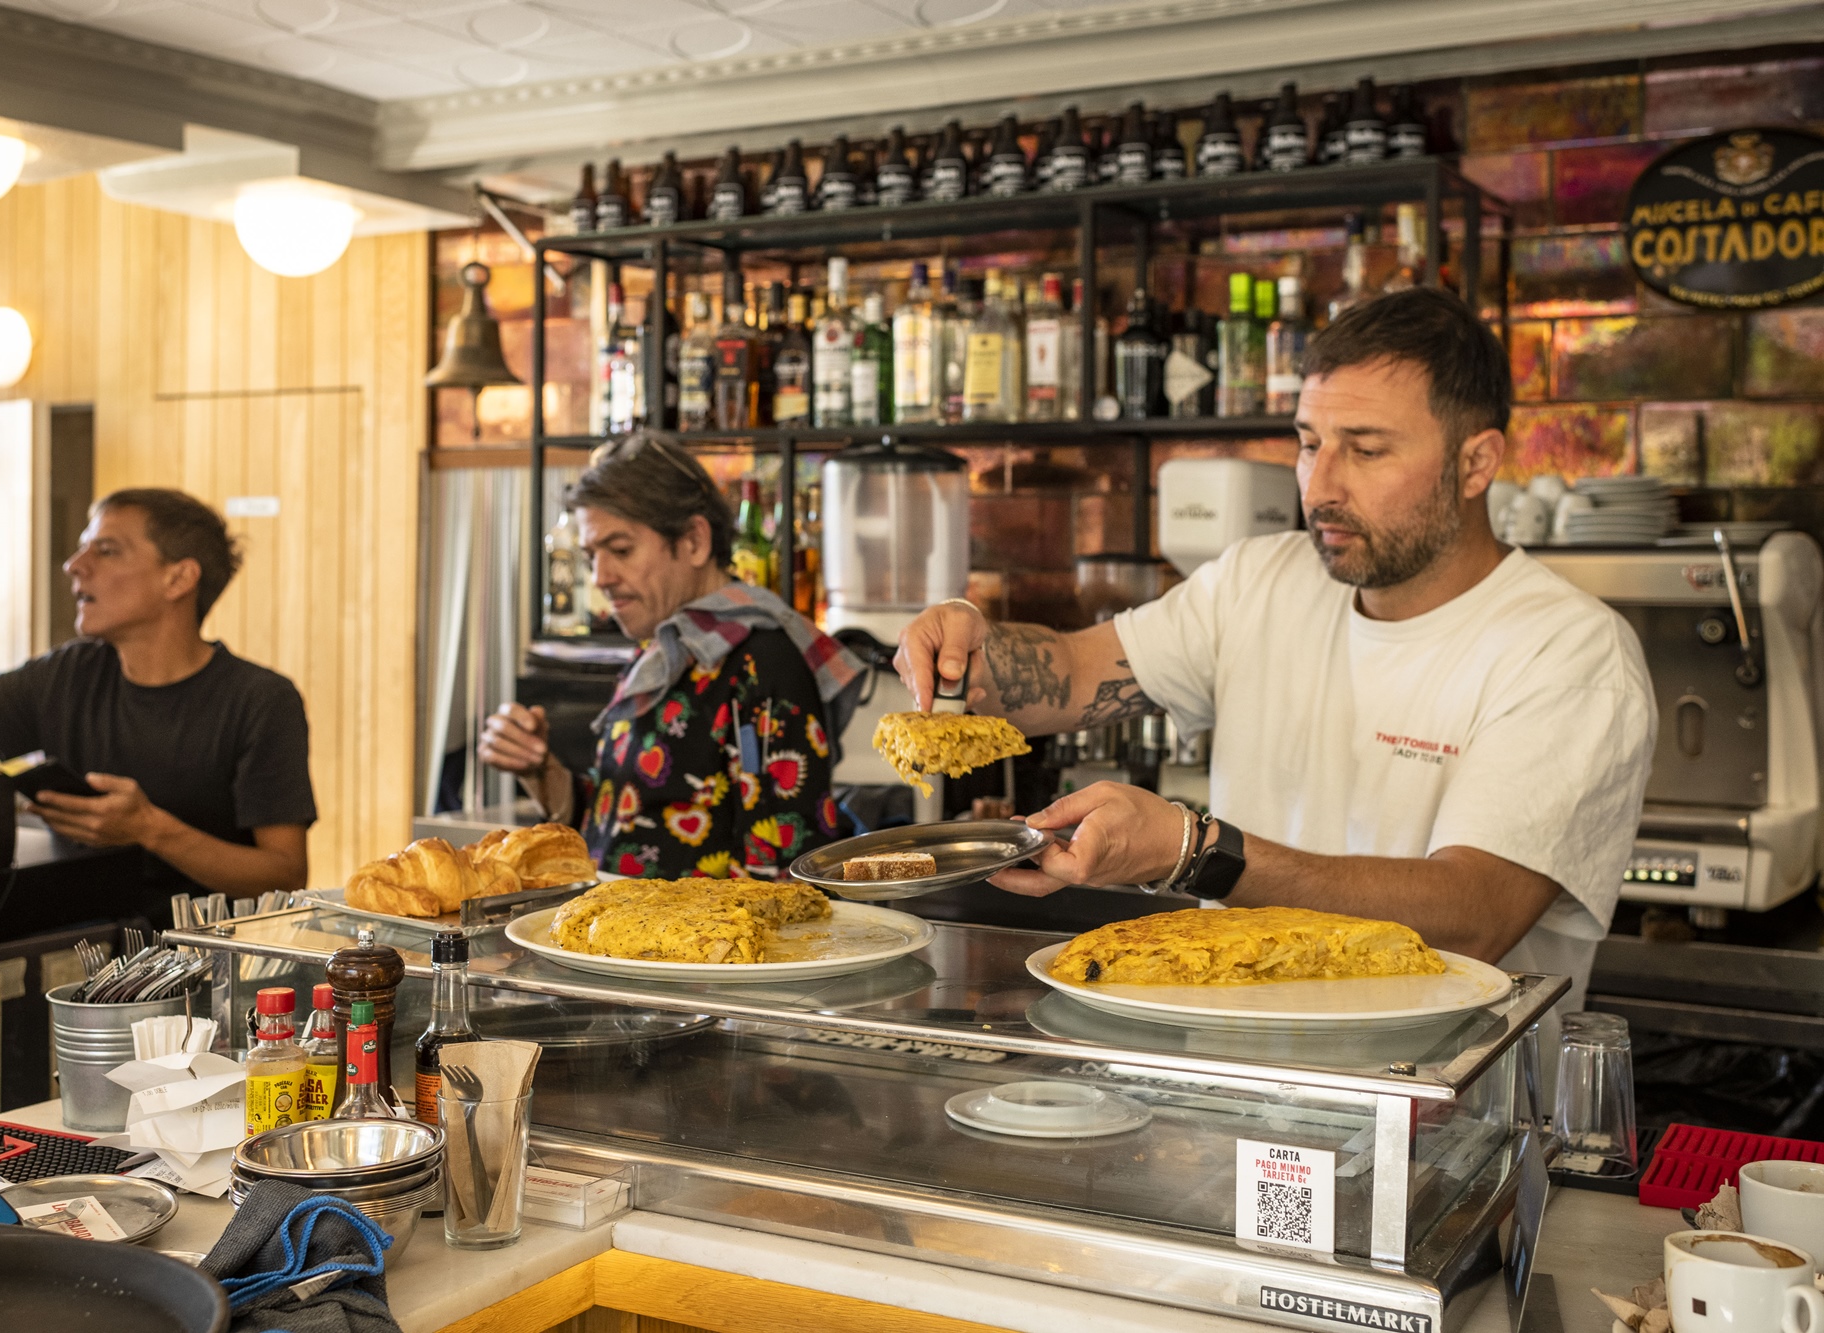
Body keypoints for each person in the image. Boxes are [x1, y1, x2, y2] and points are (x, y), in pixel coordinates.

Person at [896, 287, 1656, 1014]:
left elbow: (1474, 916)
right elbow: (1066, 675)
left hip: (1447, 1091)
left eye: (1366, 450)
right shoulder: (1261, 581)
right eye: (1309, 443)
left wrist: (1195, 851)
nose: (1319, 487)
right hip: (1232, 1075)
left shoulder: (1571, 653)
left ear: (1476, 463)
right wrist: (969, 645)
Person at [0, 488, 315, 900]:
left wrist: (149, 828)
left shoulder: (260, 701)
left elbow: (285, 874)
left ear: (178, 578)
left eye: (106, 551)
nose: (73, 565)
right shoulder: (69, 674)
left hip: (206, 963)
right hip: (80, 948)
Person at [479, 433, 866, 878]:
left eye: (620, 550)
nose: (600, 577)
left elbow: (790, 871)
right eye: (591, 556)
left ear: (694, 541)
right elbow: (620, 820)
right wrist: (539, 769)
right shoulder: (662, 648)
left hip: (699, 927)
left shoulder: (762, 662)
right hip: (613, 919)